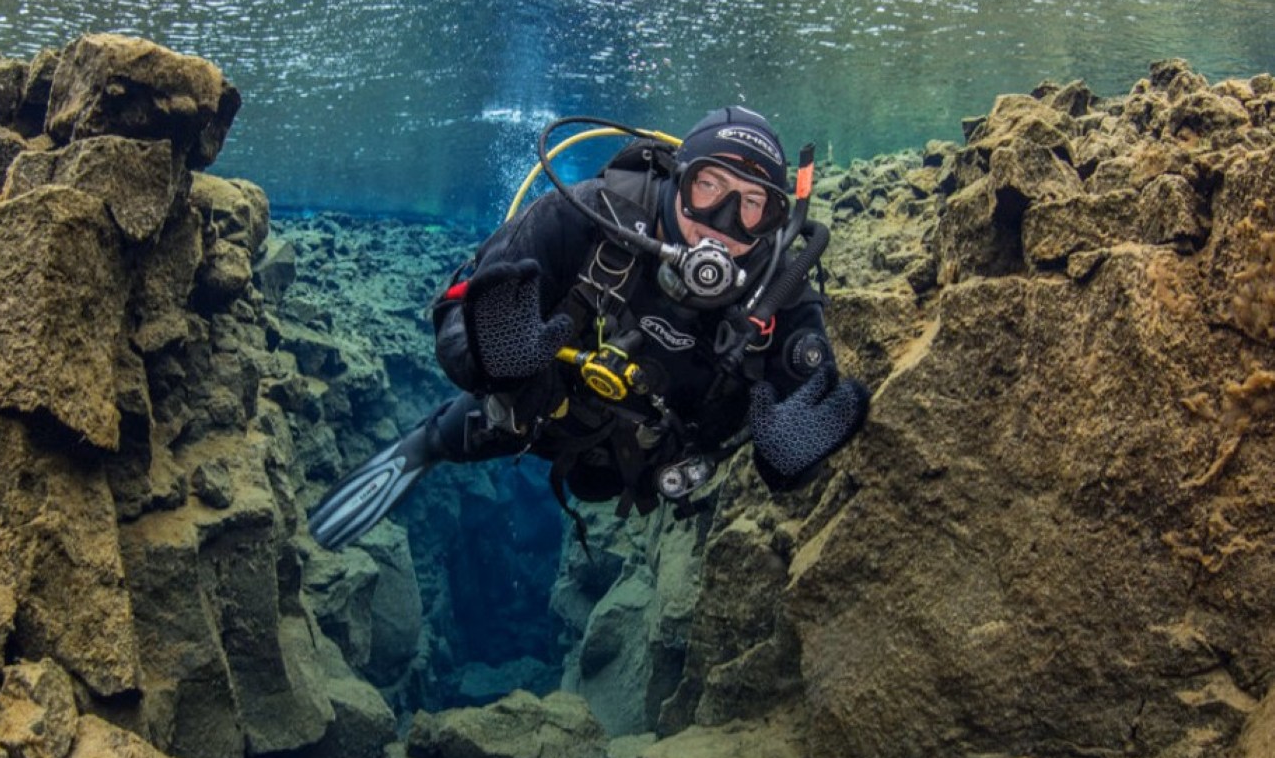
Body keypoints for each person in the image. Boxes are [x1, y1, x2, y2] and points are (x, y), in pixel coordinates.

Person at [308, 106, 869, 551]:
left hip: (647, 462)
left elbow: (806, 410)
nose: (722, 225)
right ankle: (427, 443)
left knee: (596, 485)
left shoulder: (780, 292)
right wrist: (491, 360)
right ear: (678, 179)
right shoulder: (582, 218)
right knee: (486, 419)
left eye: (752, 204)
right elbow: (455, 316)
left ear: (774, 222)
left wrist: (789, 465)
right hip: (541, 409)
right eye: (709, 186)